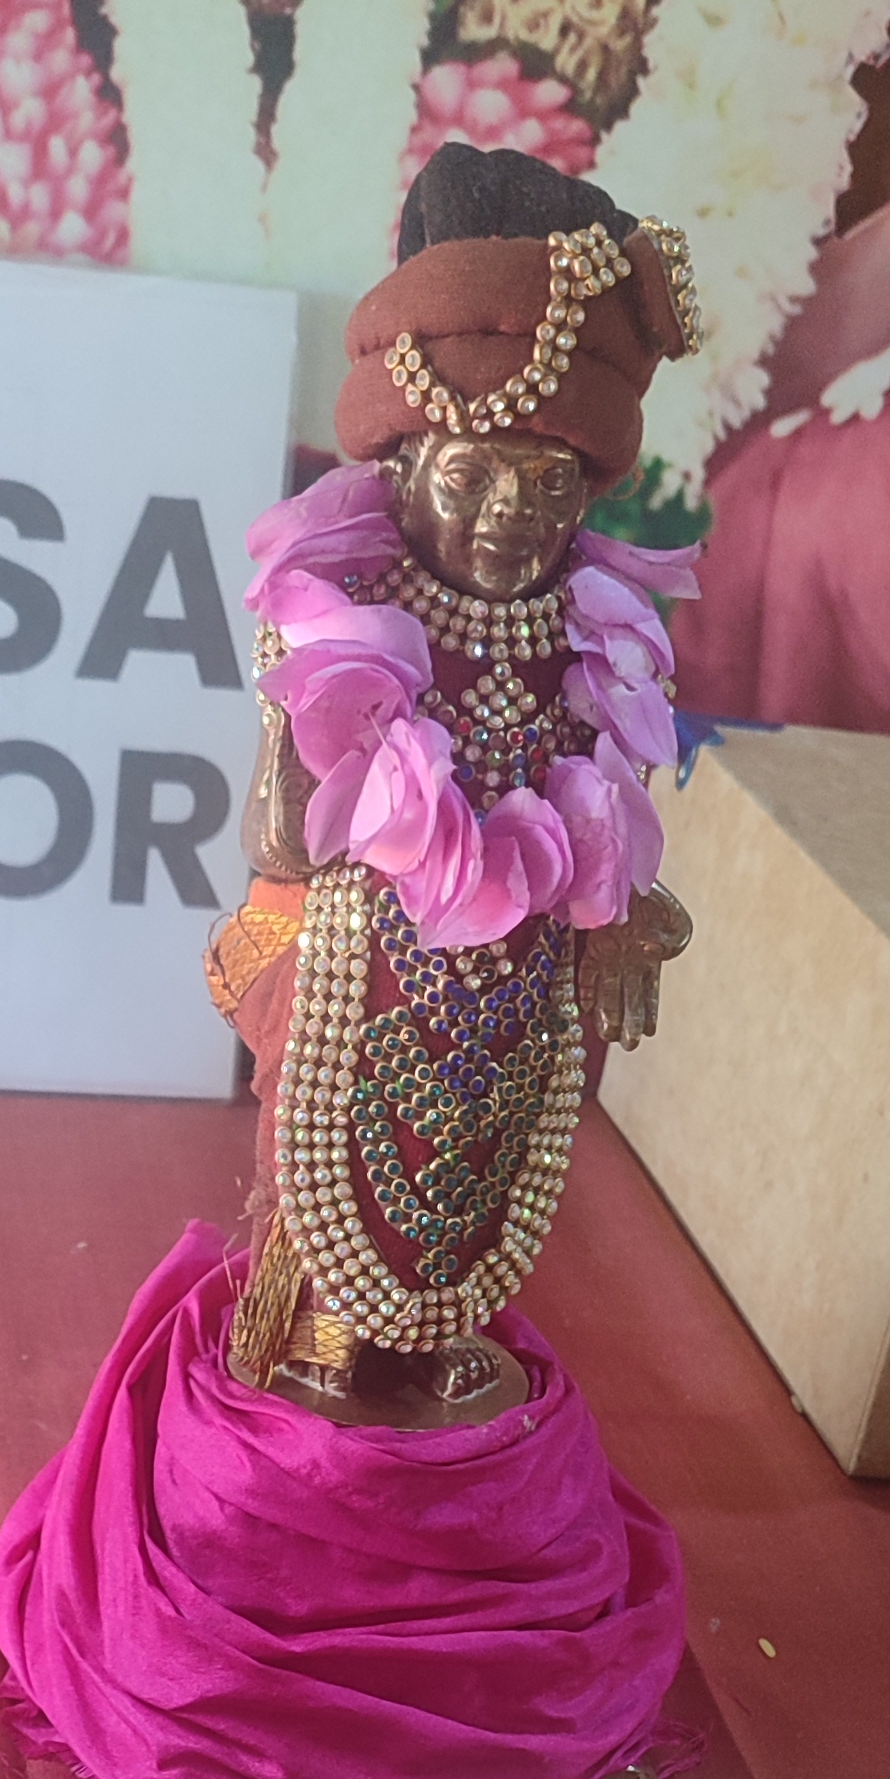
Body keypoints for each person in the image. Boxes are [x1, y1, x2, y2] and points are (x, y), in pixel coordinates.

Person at [215, 144, 695, 1424]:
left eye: (549, 485)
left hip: (518, 974)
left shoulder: (589, 624)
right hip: (356, 957)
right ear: (401, 467)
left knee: (484, 1149)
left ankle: (435, 1336)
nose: (509, 516)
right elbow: (283, 836)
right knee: (332, 1134)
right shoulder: (344, 602)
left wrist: (629, 910)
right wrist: (301, 719)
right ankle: (323, 1328)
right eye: (472, 475)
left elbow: (603, 812)